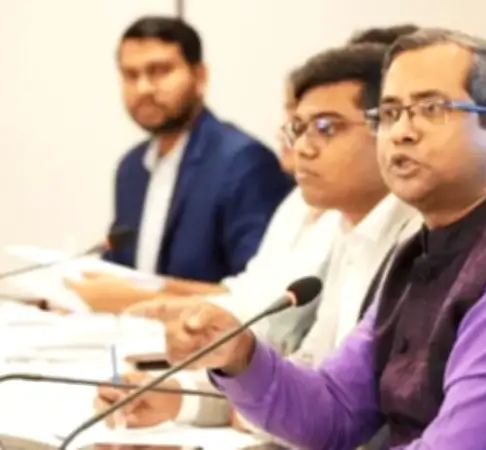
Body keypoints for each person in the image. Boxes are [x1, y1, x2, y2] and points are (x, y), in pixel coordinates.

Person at [132, 28, 486, 449]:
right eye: (390, 113)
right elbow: (335, 409)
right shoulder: (423, 246)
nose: (402, 132)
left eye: (431, 109)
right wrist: (240, 356)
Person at [95, 42, 421, 441]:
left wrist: (247, 406)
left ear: (390, 129)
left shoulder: (418, 242)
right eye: (297, 128)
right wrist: (178, 397)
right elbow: (310, 374)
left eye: (326, 128)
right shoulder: (349, 232)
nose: (303, 148)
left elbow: (356, 419)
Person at [65, 16, 293, 310]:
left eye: (159, 71)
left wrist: (136, 297)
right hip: (132, 335)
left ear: (200, 77)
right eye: (130, 75)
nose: (143, 88)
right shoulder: (131, 168)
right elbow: (120, 270)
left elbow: (257, 295)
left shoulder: (242, 161)